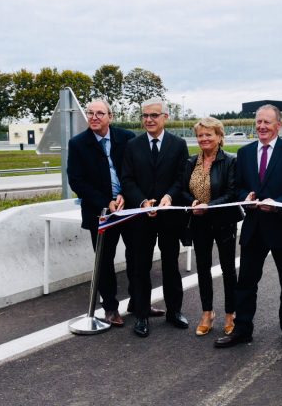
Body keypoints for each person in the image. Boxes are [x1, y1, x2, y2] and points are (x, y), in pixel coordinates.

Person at [214, 104, 282, 349]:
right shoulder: (244, 153)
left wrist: (277, 203)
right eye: (258, 122)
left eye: (267, 122)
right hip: (254, 226)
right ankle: (242, 329)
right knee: (246, 283)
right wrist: (248, 196)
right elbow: (239, 187)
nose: (261, 127)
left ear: (278, 125)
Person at [121, 97, 190, 338]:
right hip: (141, 217)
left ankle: (174, 312)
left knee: (171, 265)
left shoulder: (178, 144)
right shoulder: (133, 145)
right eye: (145, 116)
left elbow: (182, 178)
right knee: (140, 267)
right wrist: (142, 201)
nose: (149, 120)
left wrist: (169, 197)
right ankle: (141, 315)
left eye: (154, 115)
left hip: (169, 215)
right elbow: (127, 179)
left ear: (165, 118)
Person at [67, 99, 136, 327]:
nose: (94, 117)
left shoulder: (126, 138)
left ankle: (138, 302)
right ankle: (110, 308)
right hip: (101, 212)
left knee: (137, 256)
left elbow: (136, 170)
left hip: (129, 207)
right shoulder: (78, 144)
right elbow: (77, 181)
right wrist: (106, 201)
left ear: (110, 116)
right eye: (90, 113)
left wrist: (126, 194)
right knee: (104, 261)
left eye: (99, 113)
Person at [179, 118, 241, 337]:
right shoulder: (190, 162)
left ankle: (231, 314)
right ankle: (207, 313)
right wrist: (193, 203)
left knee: (227, 269)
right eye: (200, 135)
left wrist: (209, 206)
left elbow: (232, 193)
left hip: (223, 220)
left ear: (219, 136)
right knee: (203, 268)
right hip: (198, 221)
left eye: (209, 135)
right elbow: (183, 189)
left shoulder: (230, 161)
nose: (204, 139)